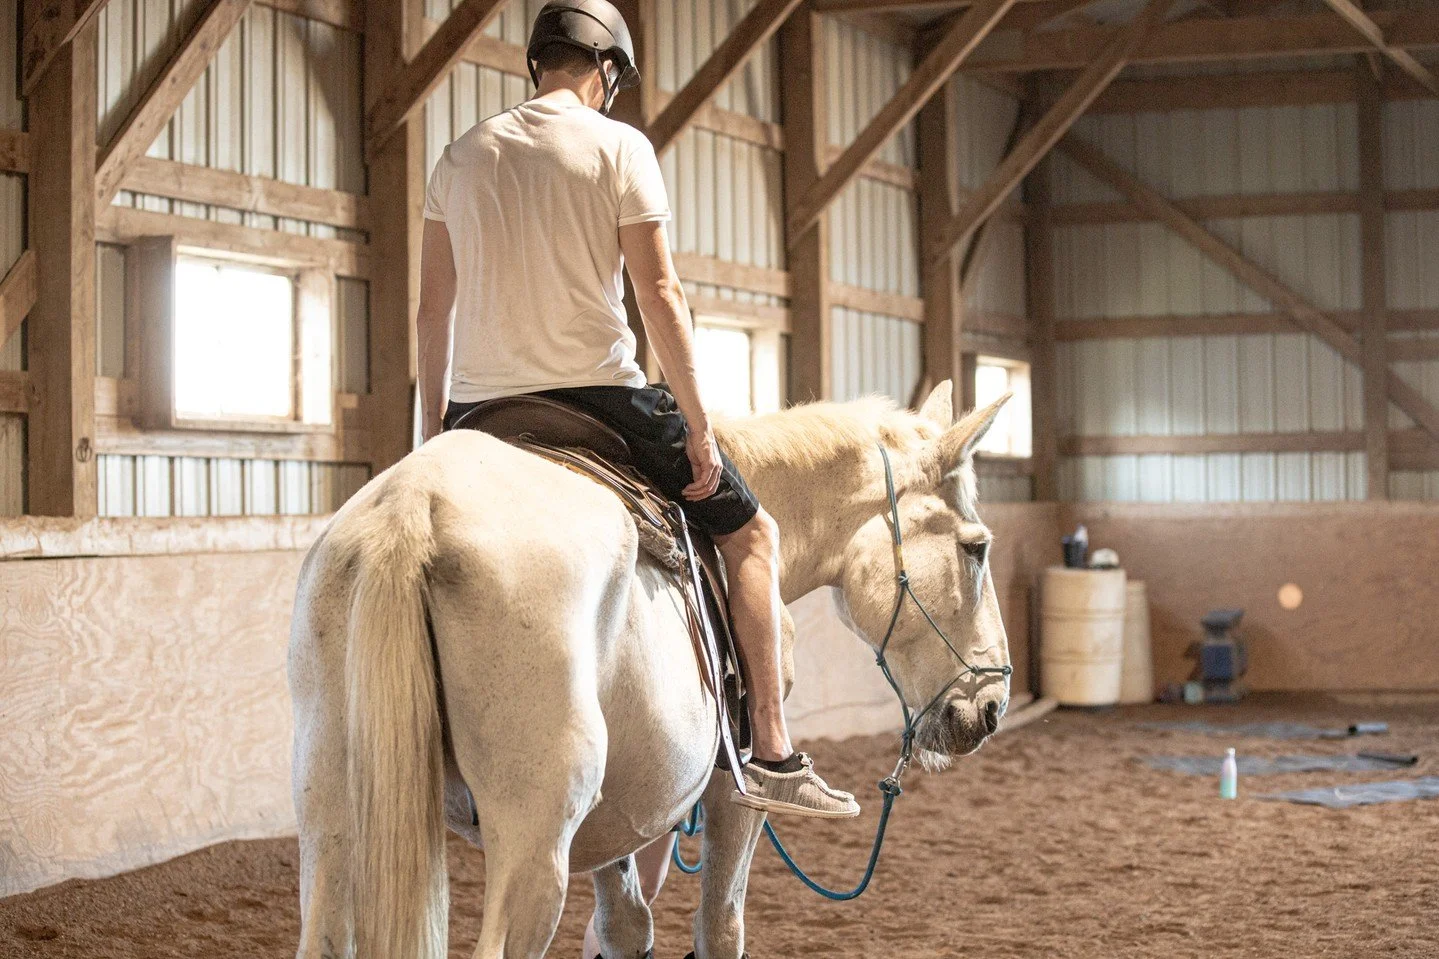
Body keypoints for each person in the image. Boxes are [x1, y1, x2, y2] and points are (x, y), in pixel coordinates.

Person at [414, 0, 859, 948]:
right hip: (602, 404)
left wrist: (430, 437)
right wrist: (699, 430)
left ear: (535, 63)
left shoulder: (459, 155)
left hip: (481, 417)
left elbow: (430, 318)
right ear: (607, 71)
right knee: (752, 534)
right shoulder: (617, 147)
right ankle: (771, 746)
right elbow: (658, 293)